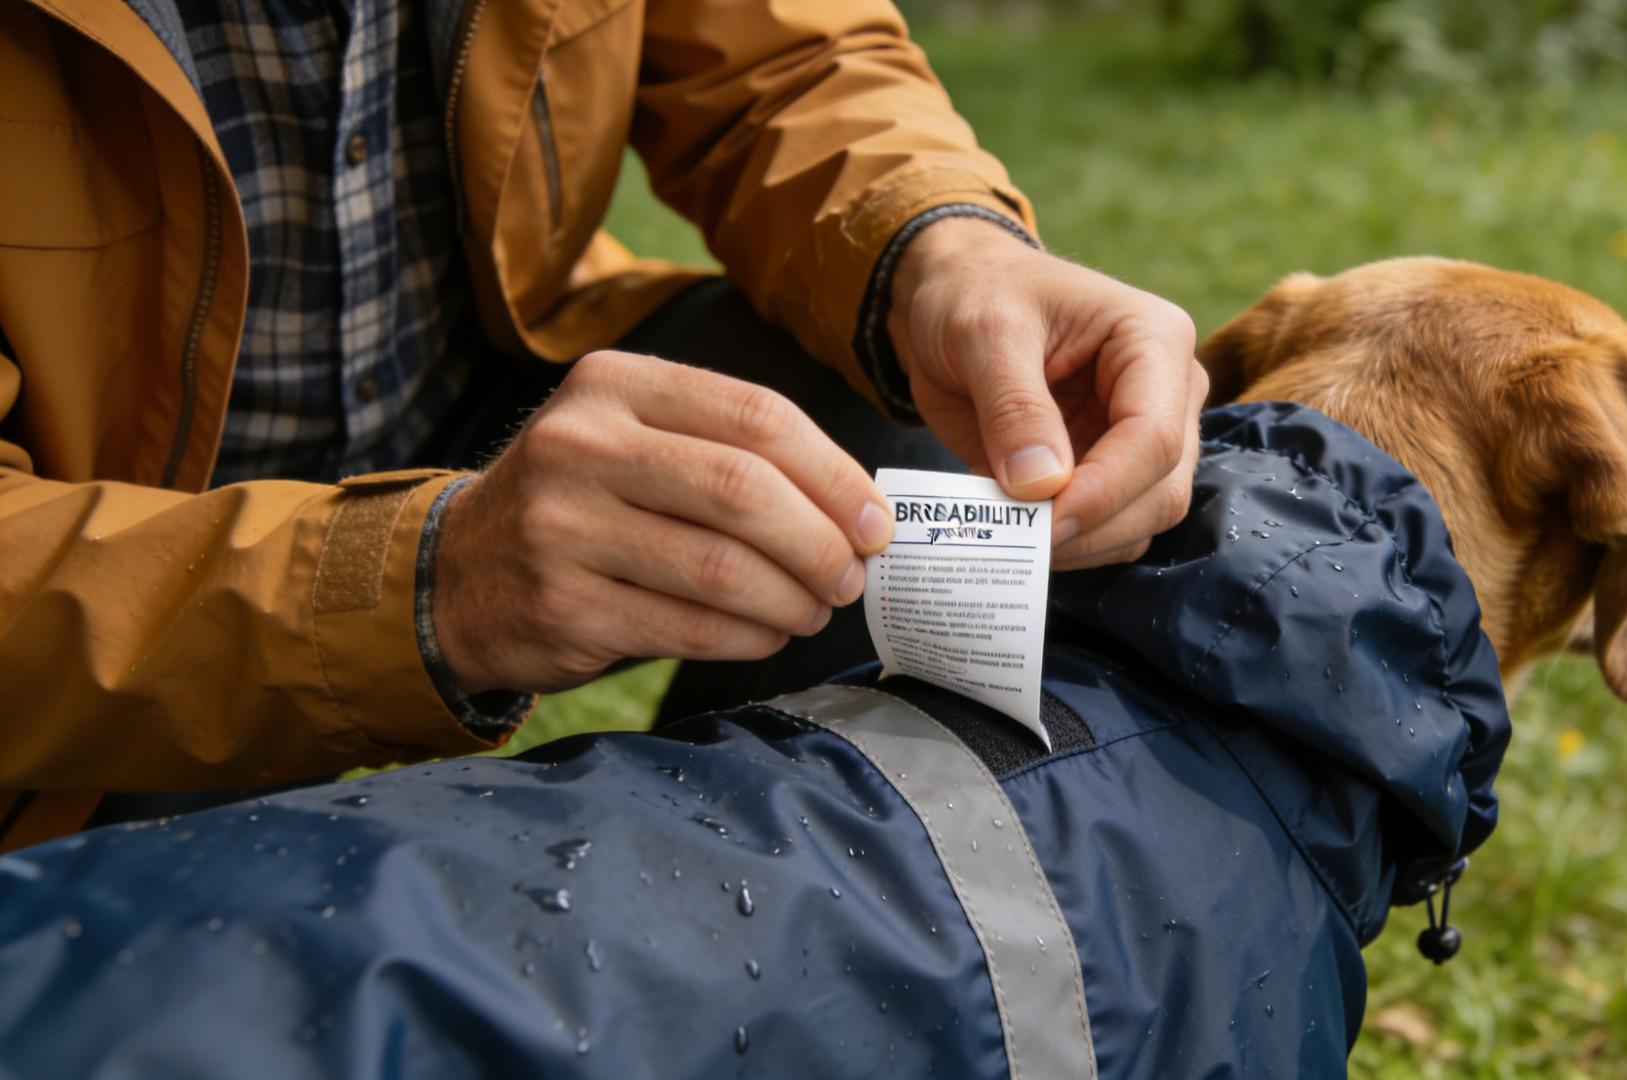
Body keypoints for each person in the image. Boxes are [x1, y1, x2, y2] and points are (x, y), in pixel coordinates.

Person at [0, 0, 1207, 851]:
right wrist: (418, 580)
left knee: (885, 406)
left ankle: (747, 889)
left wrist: (939, 244)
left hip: (470, 389)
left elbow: (779, 61)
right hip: (89, 592)